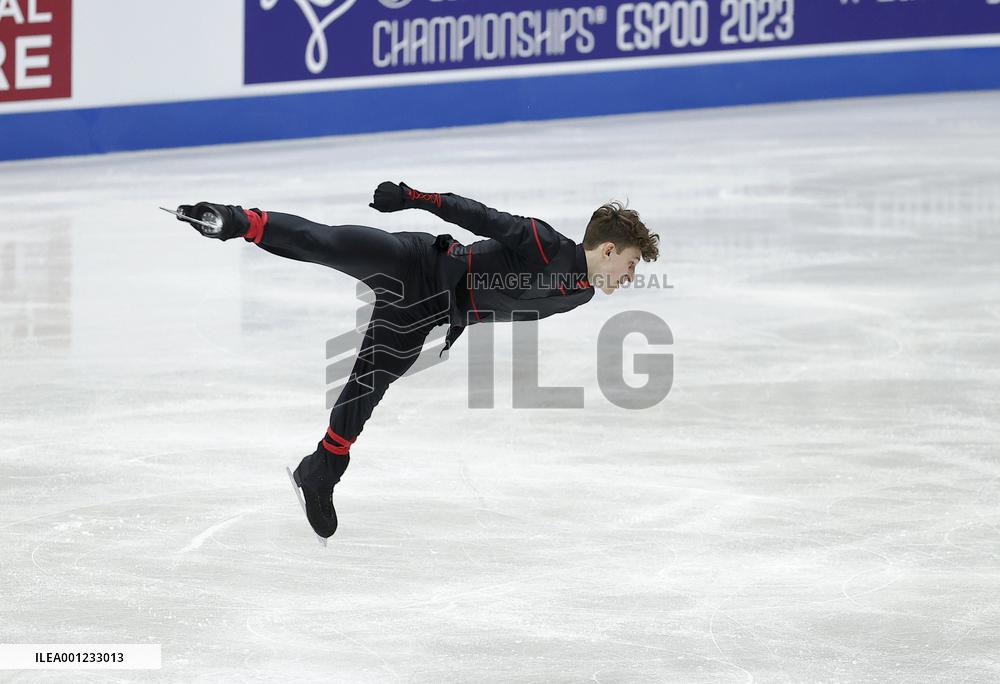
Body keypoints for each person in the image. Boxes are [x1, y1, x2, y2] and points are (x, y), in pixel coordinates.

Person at [171, 181, 660, 541]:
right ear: (611, 249)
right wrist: (414, 198)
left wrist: (460, 319)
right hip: (419, 263)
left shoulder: (579, 295)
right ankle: (232, 221)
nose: (632, 274)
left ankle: (320, 470)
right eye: (633, 263)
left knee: (368, 387)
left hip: (428, 310)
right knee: (329, 243)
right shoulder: (545, 243)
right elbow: (481, 216)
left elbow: (505, 303)